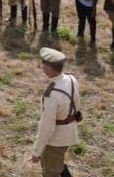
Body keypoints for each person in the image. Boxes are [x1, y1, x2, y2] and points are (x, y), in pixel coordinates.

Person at [31, 47, 81, 177]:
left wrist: (37, 152)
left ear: (49, 68)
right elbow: (77, 105)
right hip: (69, 131)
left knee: (50, 171)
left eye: (44, 65)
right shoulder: (71, 79)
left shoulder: (52, 95)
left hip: (56, 138)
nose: (42, 67)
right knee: (57, 162)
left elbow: (46, 127)